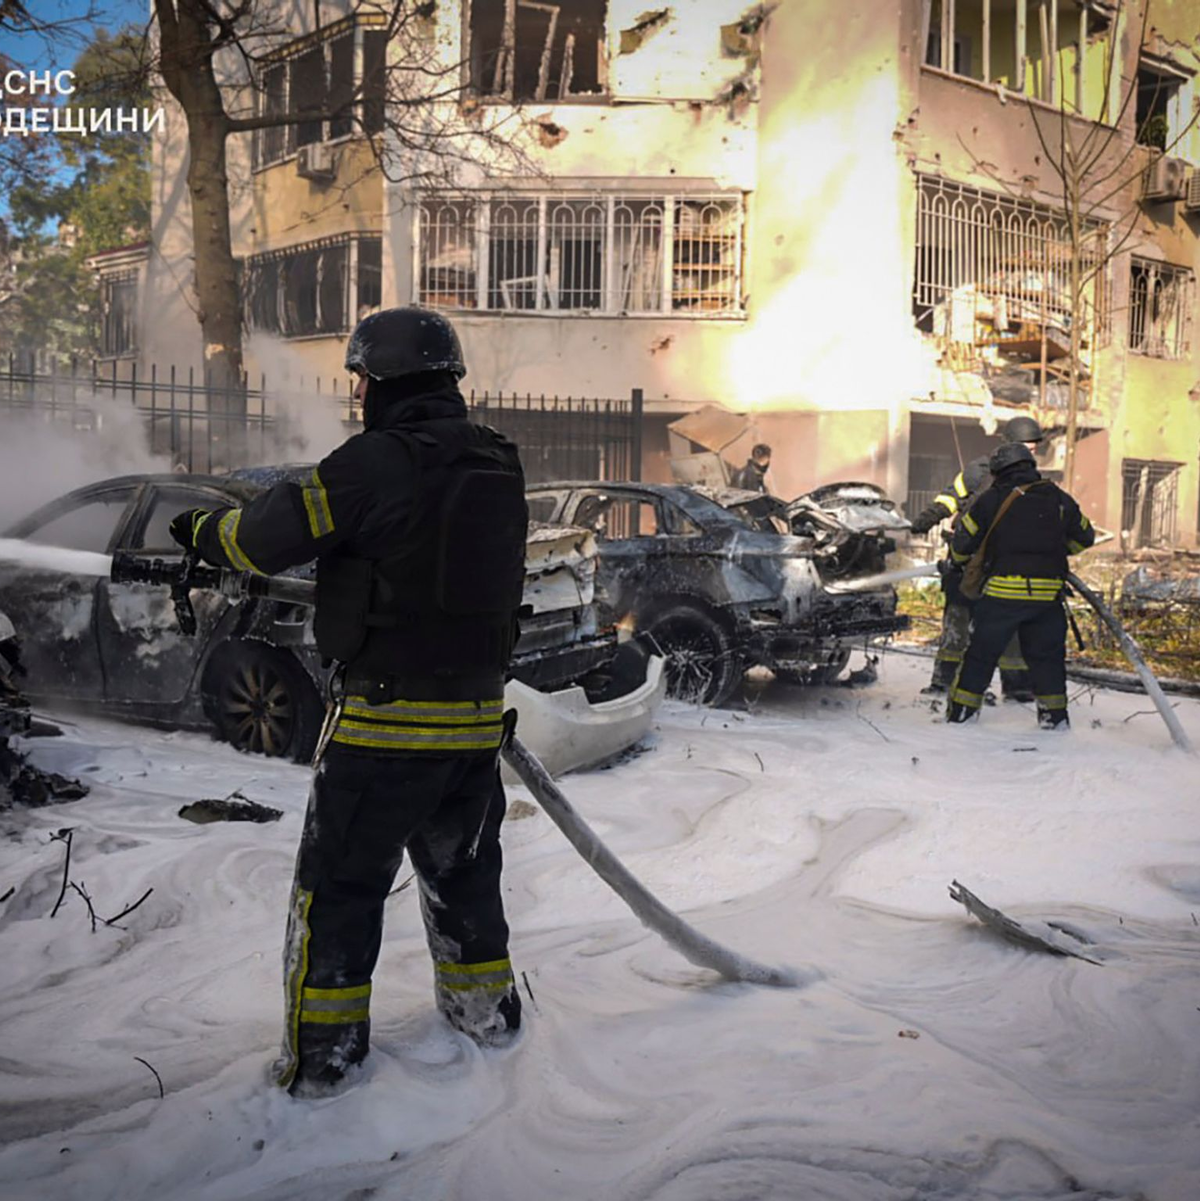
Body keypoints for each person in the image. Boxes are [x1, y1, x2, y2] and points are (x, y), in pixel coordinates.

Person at [169, 307, 529, 1094]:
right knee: (465, 880)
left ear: (387, 379)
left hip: (383, 726)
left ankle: (323, 1066)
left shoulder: (374, 464)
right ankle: (488, 1024)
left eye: (361, 375)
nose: (357, 390)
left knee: (337, 892)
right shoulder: (498, 461)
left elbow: (261, 538)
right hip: (473, 728)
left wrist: (198, 529)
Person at [945, 441, 1094, 729]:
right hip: (1048, 598)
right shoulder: (1059, 499)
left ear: (998, 470)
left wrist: (960, 561)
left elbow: (963, 544)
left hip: (1002, 594)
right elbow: (1084, 537)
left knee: (981, 656)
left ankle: (961, 715)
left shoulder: (991, 499)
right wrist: (1053, 550)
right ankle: (1055, 720)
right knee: (1048, 660)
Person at [908, 416, 1047, 698]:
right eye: (1026, 448)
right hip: (966, 561)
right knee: (957, 624)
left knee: (1009, 627)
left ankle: (1017, 686)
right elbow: (950, 497)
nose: (1030, 455)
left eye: (1034, 450)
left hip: (1004, 566)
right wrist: (927, 519)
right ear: (1009, 445)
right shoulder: (980, 471)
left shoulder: (1030, 481)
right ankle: (944, 682)